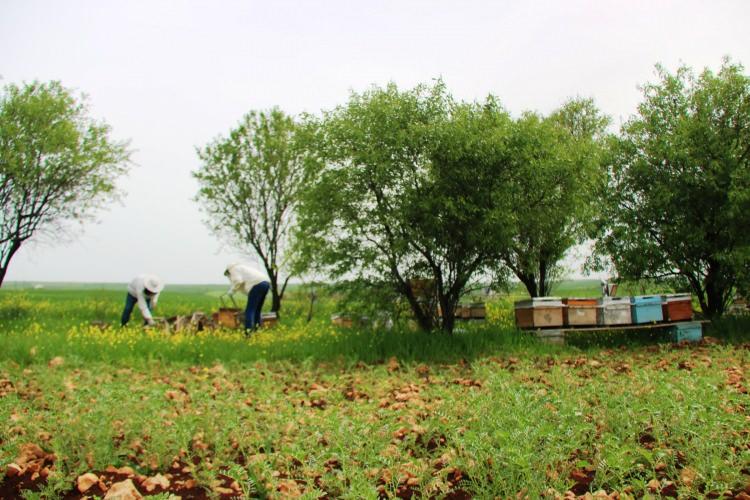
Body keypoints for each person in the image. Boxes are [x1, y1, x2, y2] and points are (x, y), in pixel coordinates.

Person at [224, 263, 270, 333]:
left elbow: (238, 281)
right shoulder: (242, 268)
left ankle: (248, 333)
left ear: (228, 272)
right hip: (266, 283)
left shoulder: (233, 269)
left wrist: (232, 291)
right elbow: (243, 285)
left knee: (249, 311)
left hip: (257, 284)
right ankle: (258, 331)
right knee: (257, 310)